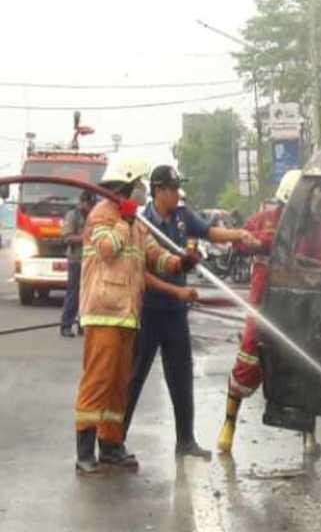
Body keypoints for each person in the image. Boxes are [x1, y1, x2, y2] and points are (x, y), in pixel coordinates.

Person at [122, 165, 259, 460]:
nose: (177, 194)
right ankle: (114, 441)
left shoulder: (182, 218)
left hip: (175, 314)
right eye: (172, 189)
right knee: (134, 377)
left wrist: (238, 234)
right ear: (158, 191)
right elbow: (142, 274)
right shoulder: (142, 224)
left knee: (182, 378)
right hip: (149, 312)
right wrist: (176, 291)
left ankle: (185, 440)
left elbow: (210, 232)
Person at [73, 157, 194, 475]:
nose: (143, 191)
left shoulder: (138, 222)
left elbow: (154, 256)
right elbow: (106, 250)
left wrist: (181, 263)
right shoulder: (103, 216)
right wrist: (123, 222)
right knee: (97, 383)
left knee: (119, 387)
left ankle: (111, 446)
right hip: (103, 314)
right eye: (139, 184)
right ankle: (84, 452)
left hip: (127, 315)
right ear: (127, 185)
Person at [218, 170, 321, 455]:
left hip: (298, 307)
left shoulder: (313, 227)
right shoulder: (264, 221)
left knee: (304, 368)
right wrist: (248, 242)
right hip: (263, 304)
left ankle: (308, 438)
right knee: (247, 359)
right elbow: (240, 241)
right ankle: (228, 426)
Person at [60, 191, 96, 338]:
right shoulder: (72, 215)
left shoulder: (94, 215)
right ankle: (66, 325)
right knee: (73, 295)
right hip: (76, 260)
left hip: (91, 260)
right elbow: (67, 238)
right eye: (87, 202)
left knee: (88, 295)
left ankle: (83, 325)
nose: (89, 206)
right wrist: (85, 238)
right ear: (81, 201)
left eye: (91, 203)